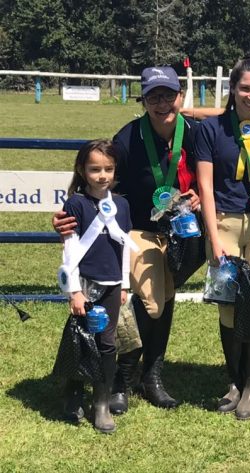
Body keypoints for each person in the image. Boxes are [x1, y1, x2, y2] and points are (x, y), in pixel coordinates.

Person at [53, 66, 200, 413]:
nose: (162, 103)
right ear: (143, 100)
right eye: (153, 97)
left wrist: (195, 194)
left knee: (164, 297)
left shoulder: (195, 132)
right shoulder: (128, 138)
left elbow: (212, 174)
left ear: (180, 96)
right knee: (153, 302)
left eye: (168, 95)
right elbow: (99, 184)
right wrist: (70, 213)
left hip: (183, 233)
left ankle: (150, 375)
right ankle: (123, 376)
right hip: (139, 232)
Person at [195, 55, 250, 420]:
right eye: (245, 88)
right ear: (232, 88)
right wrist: (213, 236)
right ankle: (234, 381)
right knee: (228, 305)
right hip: (224, 224)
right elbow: (204, 186)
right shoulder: (211, 129)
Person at [59, 139, 134, 434]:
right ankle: (74, 391)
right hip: (85, 282)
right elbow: (70, 248)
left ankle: (101, 402)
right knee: (81, 337)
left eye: (108, 169)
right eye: (95, 169)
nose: (102, 175)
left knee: (107, 341)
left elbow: (124, 246)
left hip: (113, 283)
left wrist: (124, 283)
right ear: (82, 170)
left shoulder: (122, 204)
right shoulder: (75, 204)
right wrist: (74, 291)